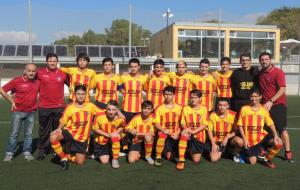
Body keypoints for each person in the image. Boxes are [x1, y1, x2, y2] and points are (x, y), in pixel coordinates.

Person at [50, 85, 101, 171]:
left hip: (82, 138)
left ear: (86, 95)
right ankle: (63, 158)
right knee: (53, 137)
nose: (81, 96)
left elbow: (103, 112)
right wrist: (59, 128)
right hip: (70, 133)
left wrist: (118, 111)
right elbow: (63, 121)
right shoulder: (70, 107)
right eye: (78, 94)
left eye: (83, 94)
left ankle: (67, 155)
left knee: (80, 162)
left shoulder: (91, 106)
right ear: (74, 95)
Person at [259, 52, 293, 162]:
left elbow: (282, 89)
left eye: (266, 59)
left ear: (270, 60)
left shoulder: (278, 72)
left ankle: (288, 151)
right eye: (262, 60)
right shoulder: (260, 73)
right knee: (265, 129)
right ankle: (266, 148)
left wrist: (271, 101)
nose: (264, 61)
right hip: (265, 107)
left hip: (278, 105)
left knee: (281, 129)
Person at [1, 64, 39, 162]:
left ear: (36, 72)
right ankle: (9, 153)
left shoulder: (38, 82)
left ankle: (27, 152)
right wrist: (12, 101)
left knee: (28, 134)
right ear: (25, 71)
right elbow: (2, 90)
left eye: (33, 71)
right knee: (14, 134)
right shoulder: (16, 80)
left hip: (31, 112)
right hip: (18, 112)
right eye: (29, 71)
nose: (31, 73)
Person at [237, 89, 283, 168]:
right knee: (253, 162)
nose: (253, 98)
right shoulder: (244, 109)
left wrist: (275, 135)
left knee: (279, 143)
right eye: (252, 96)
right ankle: (244, 153)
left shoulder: (263, 109)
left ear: (260, 97)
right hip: (250, 139)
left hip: (261, 136)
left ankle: (267, 159)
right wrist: (244, 138)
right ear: (249, 97)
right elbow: (240, 125)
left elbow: (270, 123)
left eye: (256, 96)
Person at [37, 53, 68, 160]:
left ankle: (56, 149)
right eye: (50, 61)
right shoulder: (40, 73)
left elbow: (73, 85)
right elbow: (31, 80)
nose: (52, 63)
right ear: (46, 62)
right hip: (43, 106)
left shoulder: (63, 74)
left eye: (54, 61)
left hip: (59, 106)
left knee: (57, 130)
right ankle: (43, 150)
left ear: (57, 62)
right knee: (44, 130)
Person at [176, 89, 209, 170]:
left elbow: (205, 124)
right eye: (191, 97)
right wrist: (187, 129)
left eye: (195, 97)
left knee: (196, 160)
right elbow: (182, 123)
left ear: (200, 98)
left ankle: (187, 149)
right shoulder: (186, 108)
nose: (193, 99)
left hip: (199, 137)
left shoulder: (204, 109)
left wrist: (194, 131)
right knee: (184, 133)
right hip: (188, 134)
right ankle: (181, 160)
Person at [153, 86, 182, 167]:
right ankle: (158, 157)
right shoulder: (159, 108)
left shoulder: (180, 107)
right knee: (161, 135)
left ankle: (182, 155)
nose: (167, 96)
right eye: (166, 94)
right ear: (163, 95)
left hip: (175, 134)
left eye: (170, 94)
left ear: (174, 95)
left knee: (170, 156)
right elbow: (156, 123)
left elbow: (182, 123)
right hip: (164, 133)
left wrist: (177, 133)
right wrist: (163, 129)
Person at [207, 98, 243, 162]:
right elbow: (209, 131)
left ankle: (234, 153)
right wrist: (213, 143)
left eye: (224, 105)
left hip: (229, 139)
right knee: (213, 159)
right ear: (217, 106)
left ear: (228, 106)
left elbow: (237, 130)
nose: (222, 107)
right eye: (220, 105)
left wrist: (227, 137)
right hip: (217, 139)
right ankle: (223, 152)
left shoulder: (233, 114)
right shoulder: (213, 115)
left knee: (240, 142)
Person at [93, 100, 126, 169]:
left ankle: (115, 159)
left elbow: (122, 126)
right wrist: (107, 135)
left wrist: (116, 132)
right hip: (102, 139)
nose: (111, 112)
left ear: (117, 110)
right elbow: (95, 129)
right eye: (109, 109)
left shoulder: (121, 118)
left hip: (113, 138)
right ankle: (109, 151)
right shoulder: (99, 116)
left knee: (115, 137)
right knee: (104, 161)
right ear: (106, 108)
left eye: (113, 110)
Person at [120, 58, 147, 123]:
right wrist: (123, 92)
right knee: (126, 128)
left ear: (139, 67)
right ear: (129, 67)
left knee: (138, 128)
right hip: (126, 108)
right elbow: (118, 87)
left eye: (135, 66)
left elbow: (145, 89)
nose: (133, 68)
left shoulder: (143, 78)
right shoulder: (124, 77)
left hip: (139, 108)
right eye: (131, 67)